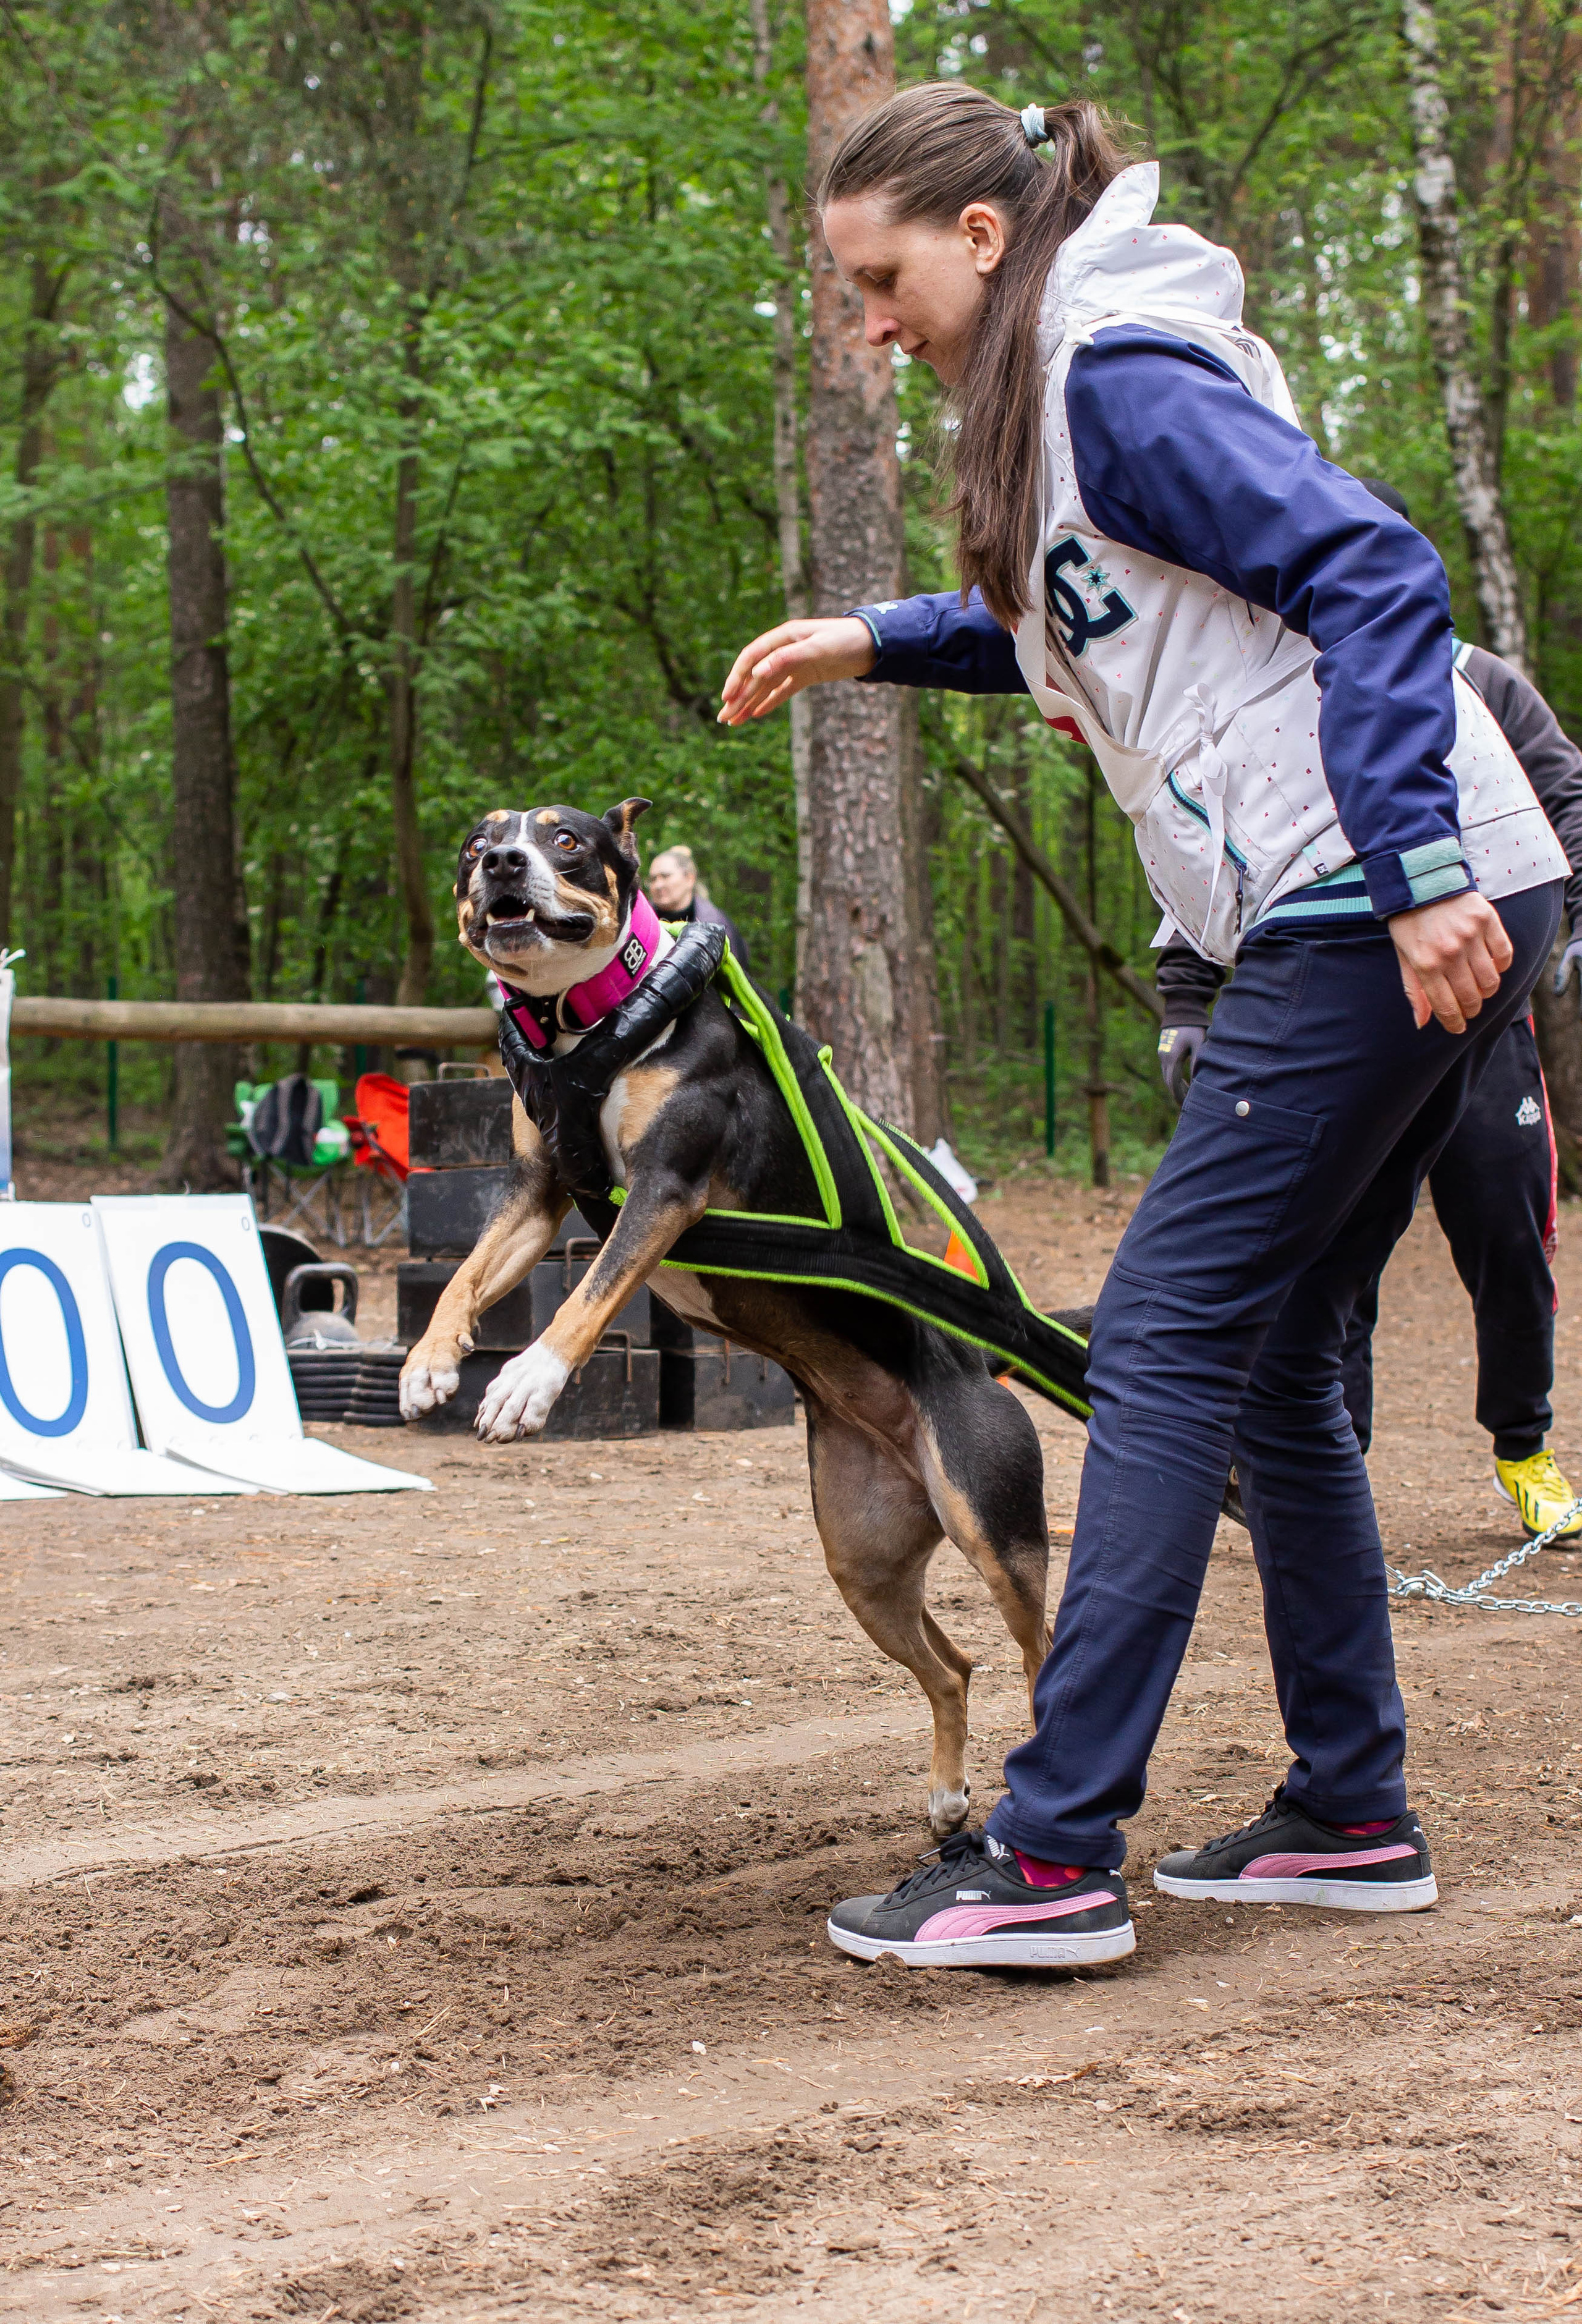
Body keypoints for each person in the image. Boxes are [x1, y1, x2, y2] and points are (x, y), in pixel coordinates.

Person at [718, 83, 1568, 1969]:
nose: (868, 326)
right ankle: (1346, 1809)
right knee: (1263, 1358)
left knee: (1168, 1333)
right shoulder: (1053, 413)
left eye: (879, 282)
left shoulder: (1111, 367)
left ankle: (1047, 1849)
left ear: (984, 239)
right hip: (1376, 884)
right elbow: (1084, 609)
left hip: (1373, 886)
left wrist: (1416, 854)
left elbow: (1372, 568)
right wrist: (870, 634)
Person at [1157, 478, 1582, 1543]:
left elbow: (1567, 796)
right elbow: (1206, 863)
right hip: (1343, 1025)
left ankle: (1525, 1446)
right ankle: (1321, 1462)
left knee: (1508, 1241)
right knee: (1330, 1247)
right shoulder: (1262, 687)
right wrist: (1185, 1003)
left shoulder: (1479, 676)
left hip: (1481, 1019)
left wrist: (1563, 917)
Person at [646, 844, 751, 970]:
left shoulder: (716, 924)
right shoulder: (643, 922)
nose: (658, 885)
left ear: (690, 879)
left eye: (665, 876)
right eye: (653, 879)